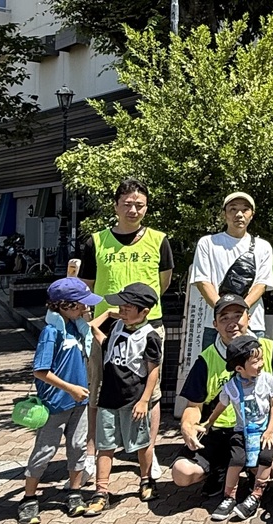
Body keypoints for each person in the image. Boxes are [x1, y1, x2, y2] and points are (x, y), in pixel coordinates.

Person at [79, 178, 173, 483]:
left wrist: (138, 311)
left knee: (151, 391)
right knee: (98, 388)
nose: (133, 209)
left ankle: (149, 452)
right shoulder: (96, 241)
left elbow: (164, 282)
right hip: (106, 327)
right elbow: (87, 287)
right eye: (127, 203)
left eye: (139, 204)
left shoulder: (159, 240)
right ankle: (94, 452)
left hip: (149, 324)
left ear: (146, 207)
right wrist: (103, 314)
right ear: (116, 205)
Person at [176, 295, 273, 496]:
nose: (232, 323)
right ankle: (219, 470)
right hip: (219, 431)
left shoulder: (267, 348)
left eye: (238, 315)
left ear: (249, 318)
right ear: (215, 324)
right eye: (224, 318)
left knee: (270, 465)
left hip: (257, 428)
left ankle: (250, 474)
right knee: (182, 473)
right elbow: (193, 406)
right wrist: (187, 426)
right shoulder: (206, 359)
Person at [17, 278, 103, 524]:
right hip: (55, 404)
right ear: (65, 305)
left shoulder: (75, 326)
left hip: (79, 402)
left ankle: (75, 493)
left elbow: (93, 331)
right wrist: (71, 388)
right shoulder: (51, 332)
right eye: (81, 305)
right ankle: (29, 498)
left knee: (77, 448)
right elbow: (40, 371)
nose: (86, 309)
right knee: (44, 450)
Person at [85, 283, 162, 516]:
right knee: (105, 445)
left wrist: (144, 400)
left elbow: (153, 371)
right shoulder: (117, 325)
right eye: (121, 304)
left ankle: (146, 480)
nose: (123, 309)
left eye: (129, 305)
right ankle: (101, 491)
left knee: (142, 442)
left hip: (134, 399)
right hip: (108, 397)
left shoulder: (149, 336)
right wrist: (107, 313)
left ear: (144, 311)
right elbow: (92, 329)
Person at [205, 336, 273, 522]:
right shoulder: (232, 387)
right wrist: (209, 423)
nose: (261, 364)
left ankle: (256, 494)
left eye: (261, 359)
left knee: (266, 456)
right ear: (239, 368)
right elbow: (221, 405)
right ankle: (229, 496)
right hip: (242, 431)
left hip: (265, 429)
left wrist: (271, 429)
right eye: (255, 362)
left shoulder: (267, 379)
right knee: (236, 459)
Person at [190, 191, 273, 350]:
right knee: (213, 372)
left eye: (245, 210)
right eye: (233, 209)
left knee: (252, 372)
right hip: (215, 325)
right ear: (224, 214)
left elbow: (261, 285)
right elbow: (203, 282)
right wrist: (223, 314)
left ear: (252, 215)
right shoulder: (208, 243)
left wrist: (240, 314)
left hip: (252, 323)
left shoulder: (263, 247)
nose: (239, 214)